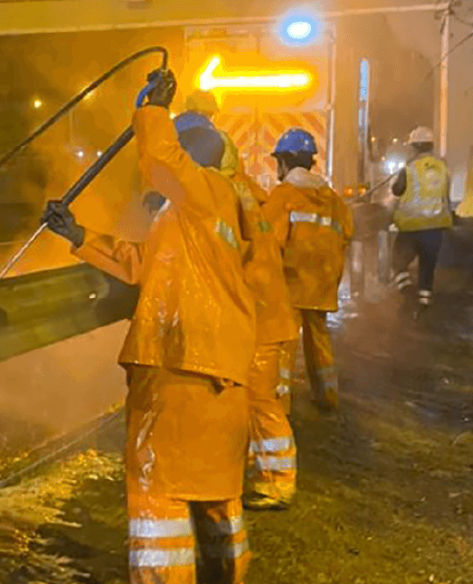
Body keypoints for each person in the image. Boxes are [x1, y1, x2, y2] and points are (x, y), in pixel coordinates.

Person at [43, 71, 256, 583]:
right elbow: (144, 266)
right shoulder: (202, 216)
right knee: (215, 491)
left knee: (156, 488)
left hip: (177, 365)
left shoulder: (202, 193)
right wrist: (81, 237)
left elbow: (161, 161)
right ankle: (228, 574)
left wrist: (152, 113)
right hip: (215, 368)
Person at [212, 127, 299, 511]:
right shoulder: (247, 191)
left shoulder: (226, 198)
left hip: (259, 319)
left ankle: (278, 483)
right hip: (264, 312)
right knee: (251, 400)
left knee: (261, 401)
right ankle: (259, 472)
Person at [263, 129, 352, 412]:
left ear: (286, 161)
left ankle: (281, 401)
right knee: (319, 339)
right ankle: (327, 396)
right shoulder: (333, 199)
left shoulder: (284, 195)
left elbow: (270, 239)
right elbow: (346, 234)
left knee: (284, 342)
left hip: (291, 282)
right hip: (322, 283)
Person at [390, 126, 453, 313]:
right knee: (427, 265)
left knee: (397, 261)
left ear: (415, 147)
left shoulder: (409, 168)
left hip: (412, 226)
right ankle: (424, 303)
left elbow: (397, 190)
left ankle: (407, 292)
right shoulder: (443, 166)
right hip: (436, 226)